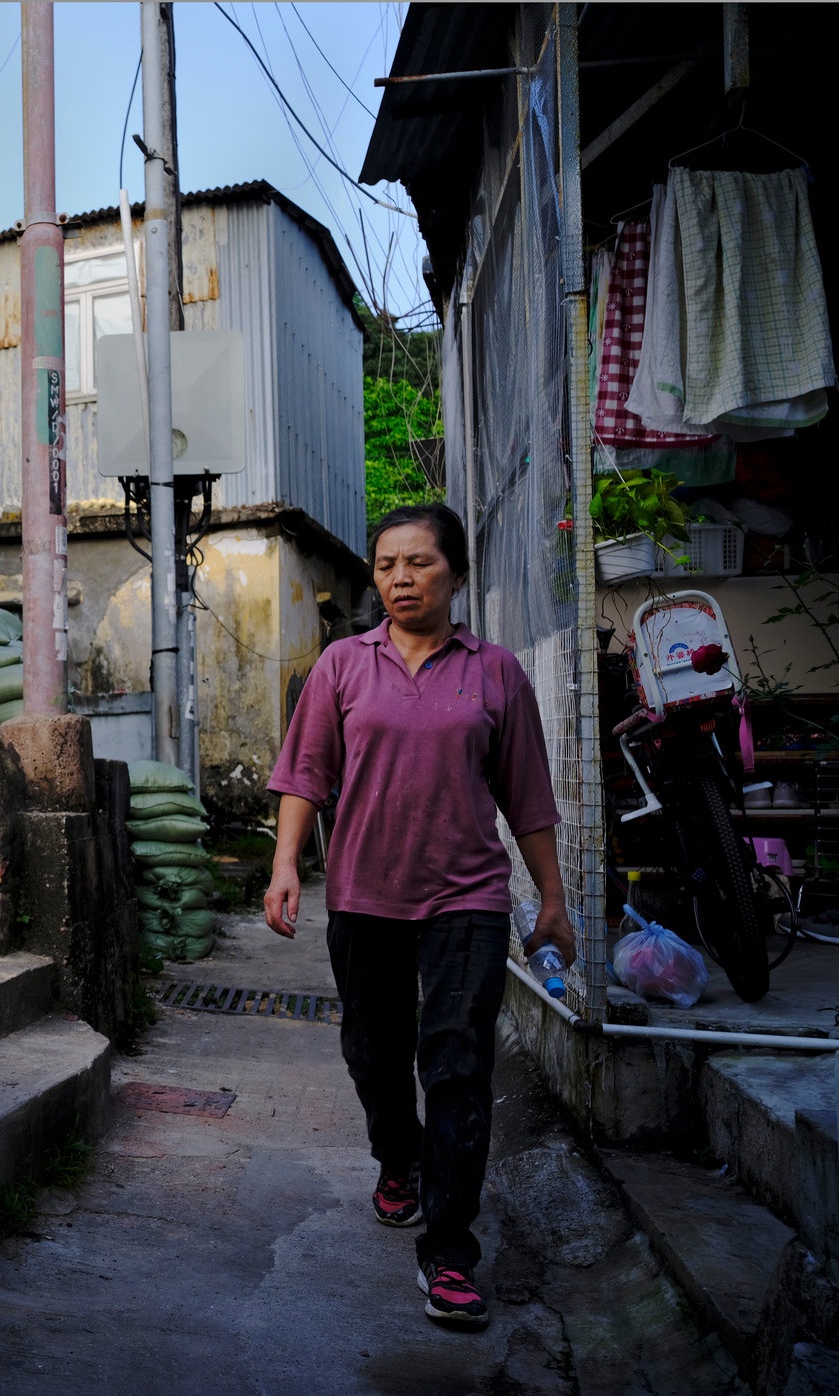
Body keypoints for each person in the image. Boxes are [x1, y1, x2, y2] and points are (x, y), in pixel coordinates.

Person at [262, 502, 572, 1329]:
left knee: (458, 1066)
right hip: (364, 894)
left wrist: (554, 900)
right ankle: (395, 1157)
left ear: (457, 575)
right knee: (374, 1053)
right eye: (388, 564)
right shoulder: (342, 665)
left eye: (420, 563)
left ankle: (449, 1253)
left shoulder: (495, 671)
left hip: (466, 897)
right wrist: (287, 863)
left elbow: (529, 796)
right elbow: (305, 774)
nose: (401, 578)